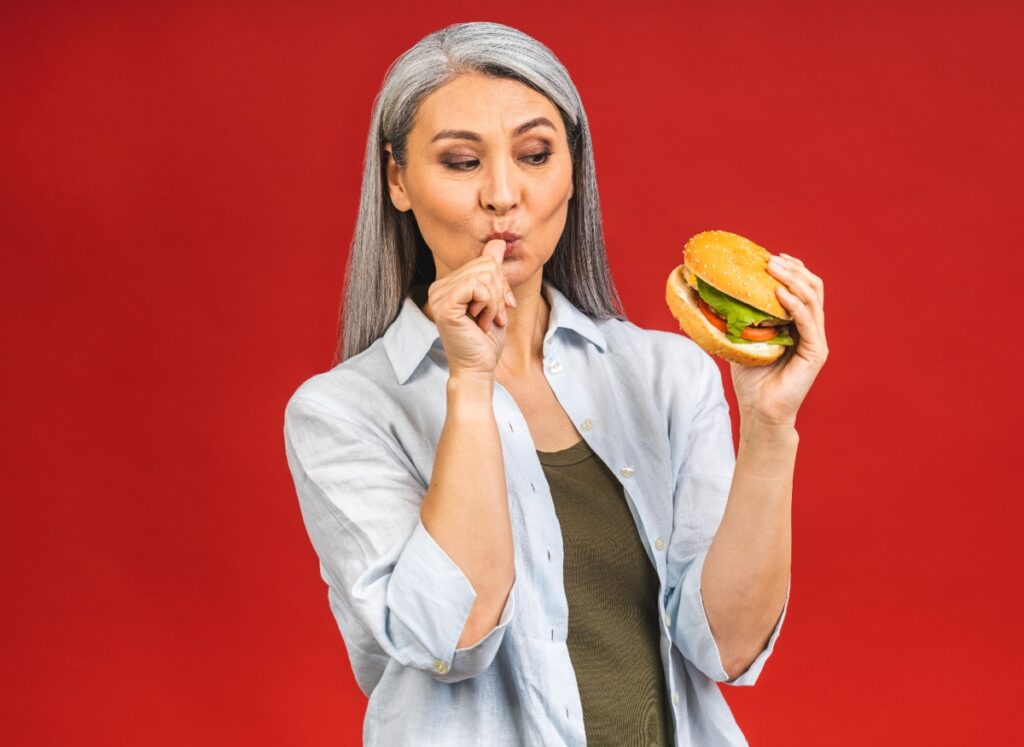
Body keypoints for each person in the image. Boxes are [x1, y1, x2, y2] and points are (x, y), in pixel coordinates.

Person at [282, 21, 828, 747]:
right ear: (397, 179)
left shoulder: (666, 376)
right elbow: (456, 635)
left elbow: (724, 645)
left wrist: (767, 427)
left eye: (535, 154)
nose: (503, 195)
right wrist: (470, 382)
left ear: (574, 170)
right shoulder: (341, 414)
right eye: (461, 161)